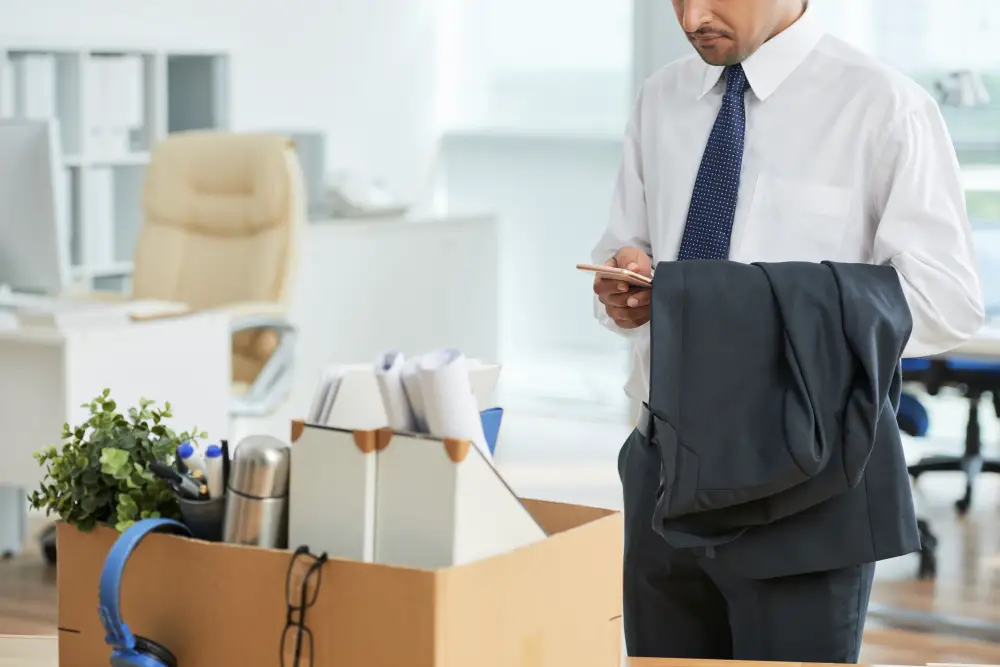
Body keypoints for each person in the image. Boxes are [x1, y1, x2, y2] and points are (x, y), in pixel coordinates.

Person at [590, 0, 984, 662]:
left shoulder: (885, 108)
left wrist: (743, 303)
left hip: (804, 480)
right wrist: (624, 288)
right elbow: (626, 246)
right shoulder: (662, 98)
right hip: (661, 465)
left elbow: (946, 300)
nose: (691, 18)